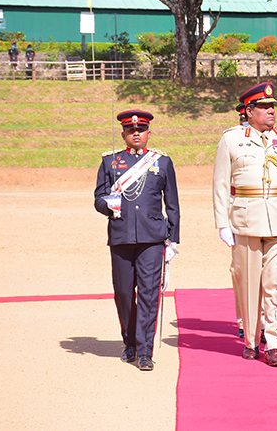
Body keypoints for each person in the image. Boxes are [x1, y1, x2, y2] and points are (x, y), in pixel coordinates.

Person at [213, 82, 277, 367]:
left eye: (273, 107)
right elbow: (221, 184)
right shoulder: (231, 139)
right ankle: (250, 340)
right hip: (245, 220)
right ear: (248, 111)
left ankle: (274, 344)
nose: (271, 111)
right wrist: (222, 223)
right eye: (264, 107)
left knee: (275, 283)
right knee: (248, 283)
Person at [93, 110, 180, 371]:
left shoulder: (162, 162)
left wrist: (173, 240)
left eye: (141, 130)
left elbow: (172, 203)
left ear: (148, 133)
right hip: (121, 237)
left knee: (149, 294)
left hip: (152, 239)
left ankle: (145, 350)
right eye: (131, 131)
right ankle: (128, 342)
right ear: (124, 135)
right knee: (122, 293)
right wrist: (109, 205)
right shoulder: (110, 162)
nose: (136, 134)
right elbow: (98, 198)